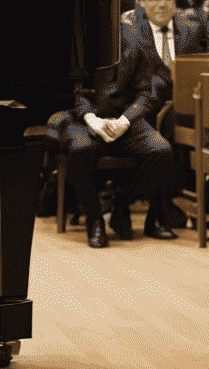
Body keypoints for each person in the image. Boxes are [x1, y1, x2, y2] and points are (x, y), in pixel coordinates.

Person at [50, 30, 175, 247]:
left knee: (161, 151)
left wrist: (126, 120)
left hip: (125, 118)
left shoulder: (134, 39)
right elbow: (69, 90)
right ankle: (94, 219)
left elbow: (148, 89)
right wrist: (91, 118)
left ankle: (122, 201)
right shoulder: (73, 40)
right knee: (81, 149)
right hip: (79, 118)